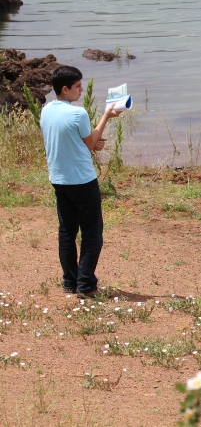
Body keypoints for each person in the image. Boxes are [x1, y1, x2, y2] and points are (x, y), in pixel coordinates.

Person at [40, 65, 120, 298]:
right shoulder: (78, 113)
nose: (81, 90)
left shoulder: (46, 110)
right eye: (77, 86)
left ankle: (70, 281)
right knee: (92, 233)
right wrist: (106, 116)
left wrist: (93, 142)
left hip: (59, 178)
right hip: (82, 181)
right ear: (65, 89)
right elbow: (90, 143)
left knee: (67, 232)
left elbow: (82, 141)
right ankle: (86, 285)